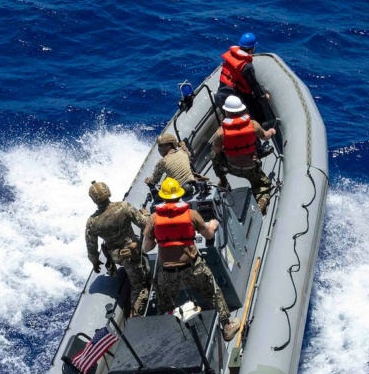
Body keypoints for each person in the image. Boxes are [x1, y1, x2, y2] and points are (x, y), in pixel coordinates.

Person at [142, 178, 239, 341]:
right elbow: (208, 235)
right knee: (213, 292)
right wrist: (212, 226)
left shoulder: (153, 219)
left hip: (167, 271)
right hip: (192, 267)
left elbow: (147, 248)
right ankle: (227, 327)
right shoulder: (191, 214)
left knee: (163, 302)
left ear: (163, 197)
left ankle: (165, 334)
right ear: (179, 195)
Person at [85, 181, 151, 317]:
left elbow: (91, 247)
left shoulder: (92, 222)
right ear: (108, 192)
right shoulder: (123, 207)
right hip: (132, 255)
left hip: (116, 257)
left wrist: (95, 262)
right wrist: (146, 214)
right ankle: (136, 316)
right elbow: (144, 224)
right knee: (140, 288)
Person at [211, 96, 276, 214]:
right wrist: (271, 131)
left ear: (226, 111)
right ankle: (258, 208)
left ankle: (223, 180)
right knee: (264, 185)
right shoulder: (253, 125)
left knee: (213, 154)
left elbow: (217, 151)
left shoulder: (221, 132)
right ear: (241, 110)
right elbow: (265, 136)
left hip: (231, 167)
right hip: (251, 168)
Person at [216, 32, 271, 123]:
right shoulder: (247, 66)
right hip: (233, 98)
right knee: (250, 118)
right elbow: (254, 86)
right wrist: (264, 96)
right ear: (252, 48)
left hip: (221, 96)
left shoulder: (231, 55)